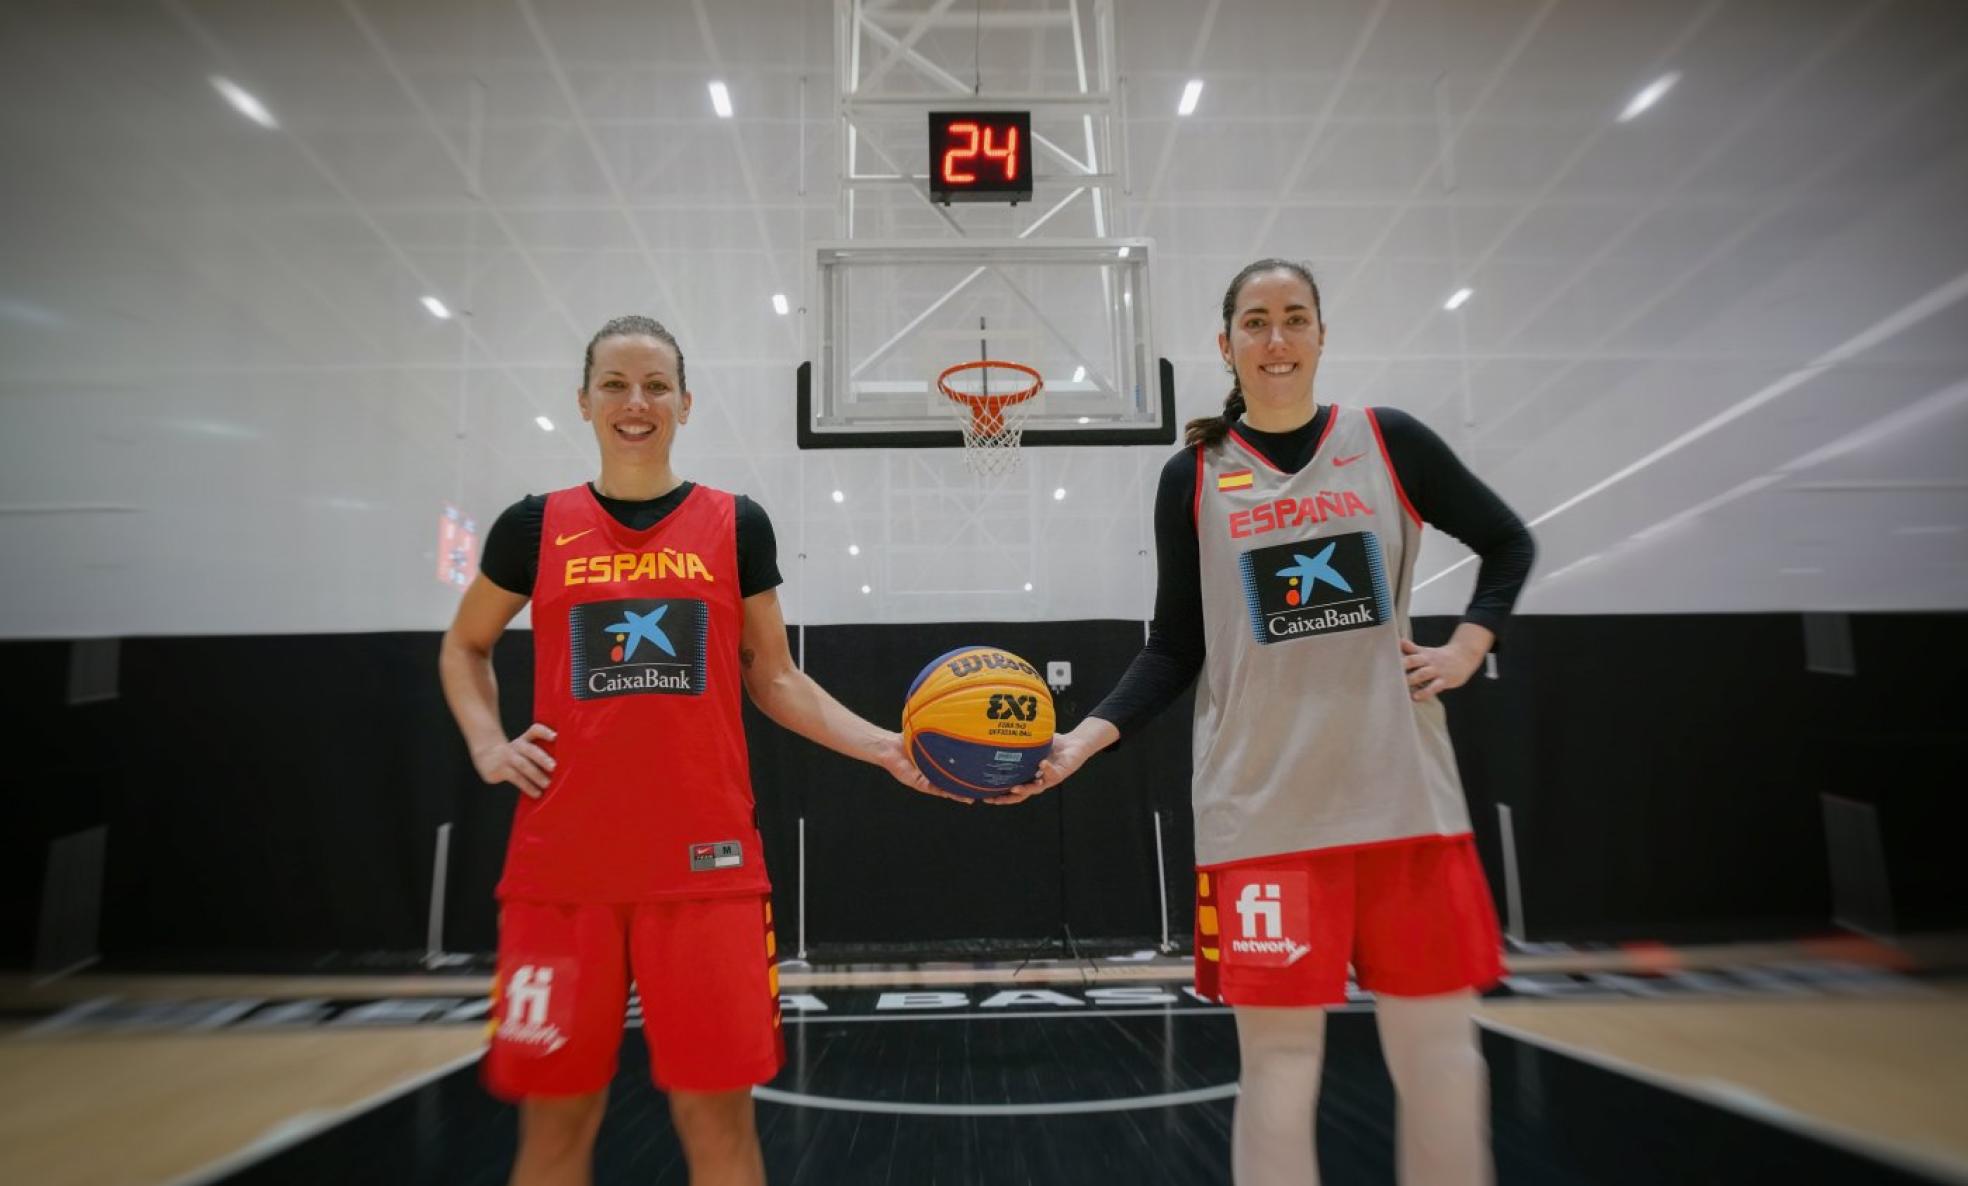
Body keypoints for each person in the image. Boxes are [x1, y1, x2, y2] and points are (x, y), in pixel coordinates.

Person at [1000, 260, 1535, 1186]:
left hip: (1405, 803)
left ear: (1322, 335)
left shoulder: (1388, 441)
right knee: (1282, 1072)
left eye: (1294, 319)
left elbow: (1506, 540)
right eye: (1256, 322)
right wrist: (1081, 738)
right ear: (1227, 344)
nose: (1276, 338)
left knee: (1442, 1061)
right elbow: (1174, 647)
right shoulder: (1194, 477)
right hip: (1266, 821)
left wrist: (1467, 648)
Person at [438, 315, 955, 1186]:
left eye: (654, 386)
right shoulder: (532, 527)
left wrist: (887, 748)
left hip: (706, 871)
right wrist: (489, 744)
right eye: (614, 384)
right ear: (584, 400)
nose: (635, 403)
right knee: (556, 1127)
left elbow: (776, 678)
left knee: (718, 1127)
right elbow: (464, 647)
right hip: (562, 870)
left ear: (684, 402)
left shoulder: (734, 523)